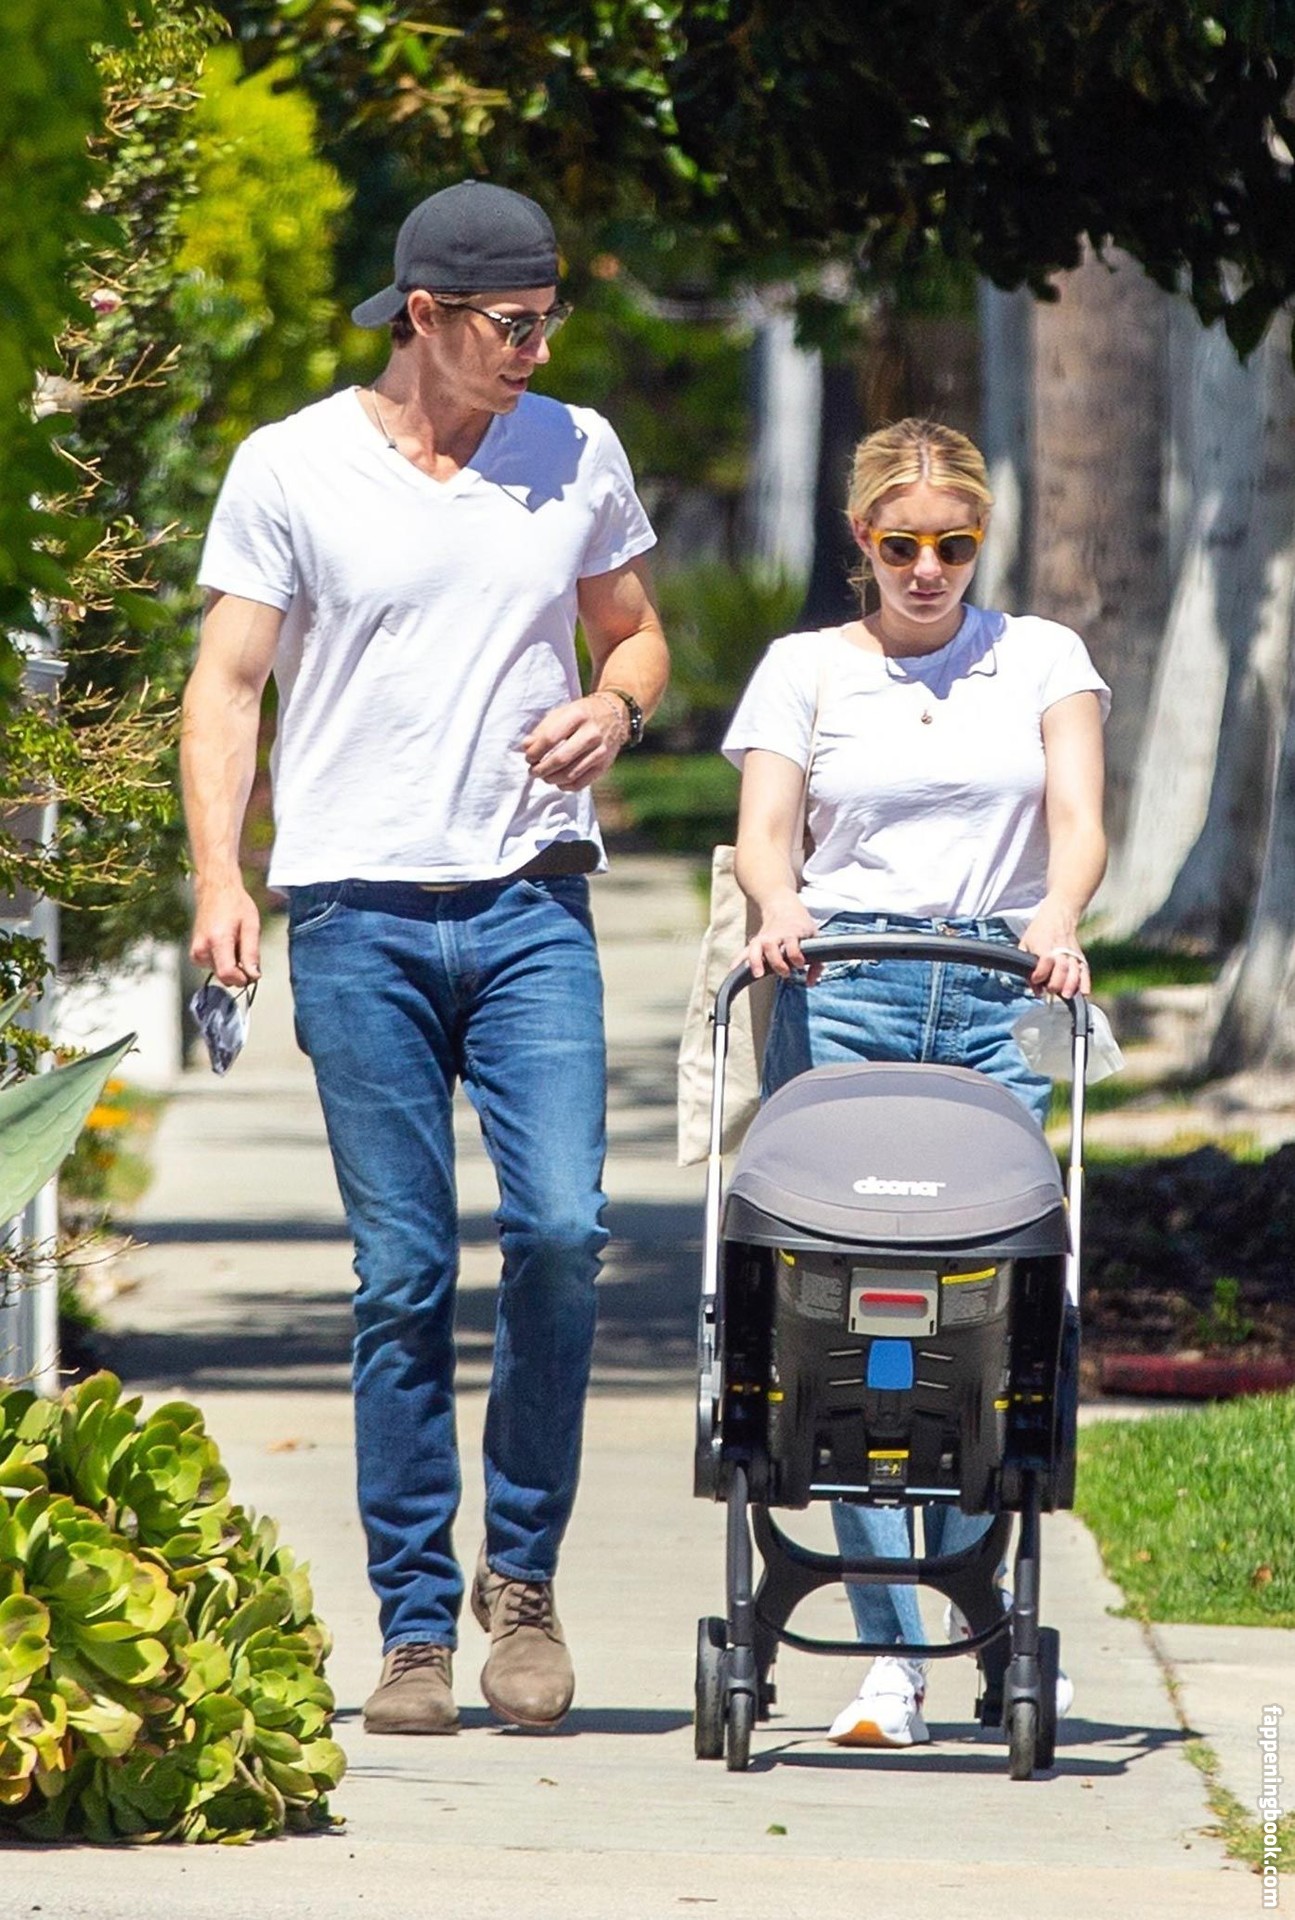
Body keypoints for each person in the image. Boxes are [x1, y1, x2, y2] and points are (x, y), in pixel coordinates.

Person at [181, 179, 668, 1736]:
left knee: (563, 1232)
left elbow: (635, 628)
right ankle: (410, 1630)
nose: (539, 349)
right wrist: (220, 880)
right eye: (513, 324)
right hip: (356, 914)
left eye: (550, 320)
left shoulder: (576, 447)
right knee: (402, 1274)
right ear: (426, 316)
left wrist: (618, 705)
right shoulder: (292, 466)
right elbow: (227, 686)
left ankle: (519, 1586)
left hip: (531, 904)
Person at [721, 417, 1107, 1748]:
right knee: (846, 1327)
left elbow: (1079, 821)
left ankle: (986, 1618)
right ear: (862, 541)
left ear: (982, 540)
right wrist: (779, 905)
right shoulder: (804, 671)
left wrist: (1057, 915)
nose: (928, 569)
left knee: (987, 1325)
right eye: (902, 546)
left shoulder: (1042, 658)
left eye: (954, 544)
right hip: (846, 993)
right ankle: (893, 1656)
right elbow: (766, 834)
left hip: (996, 990)